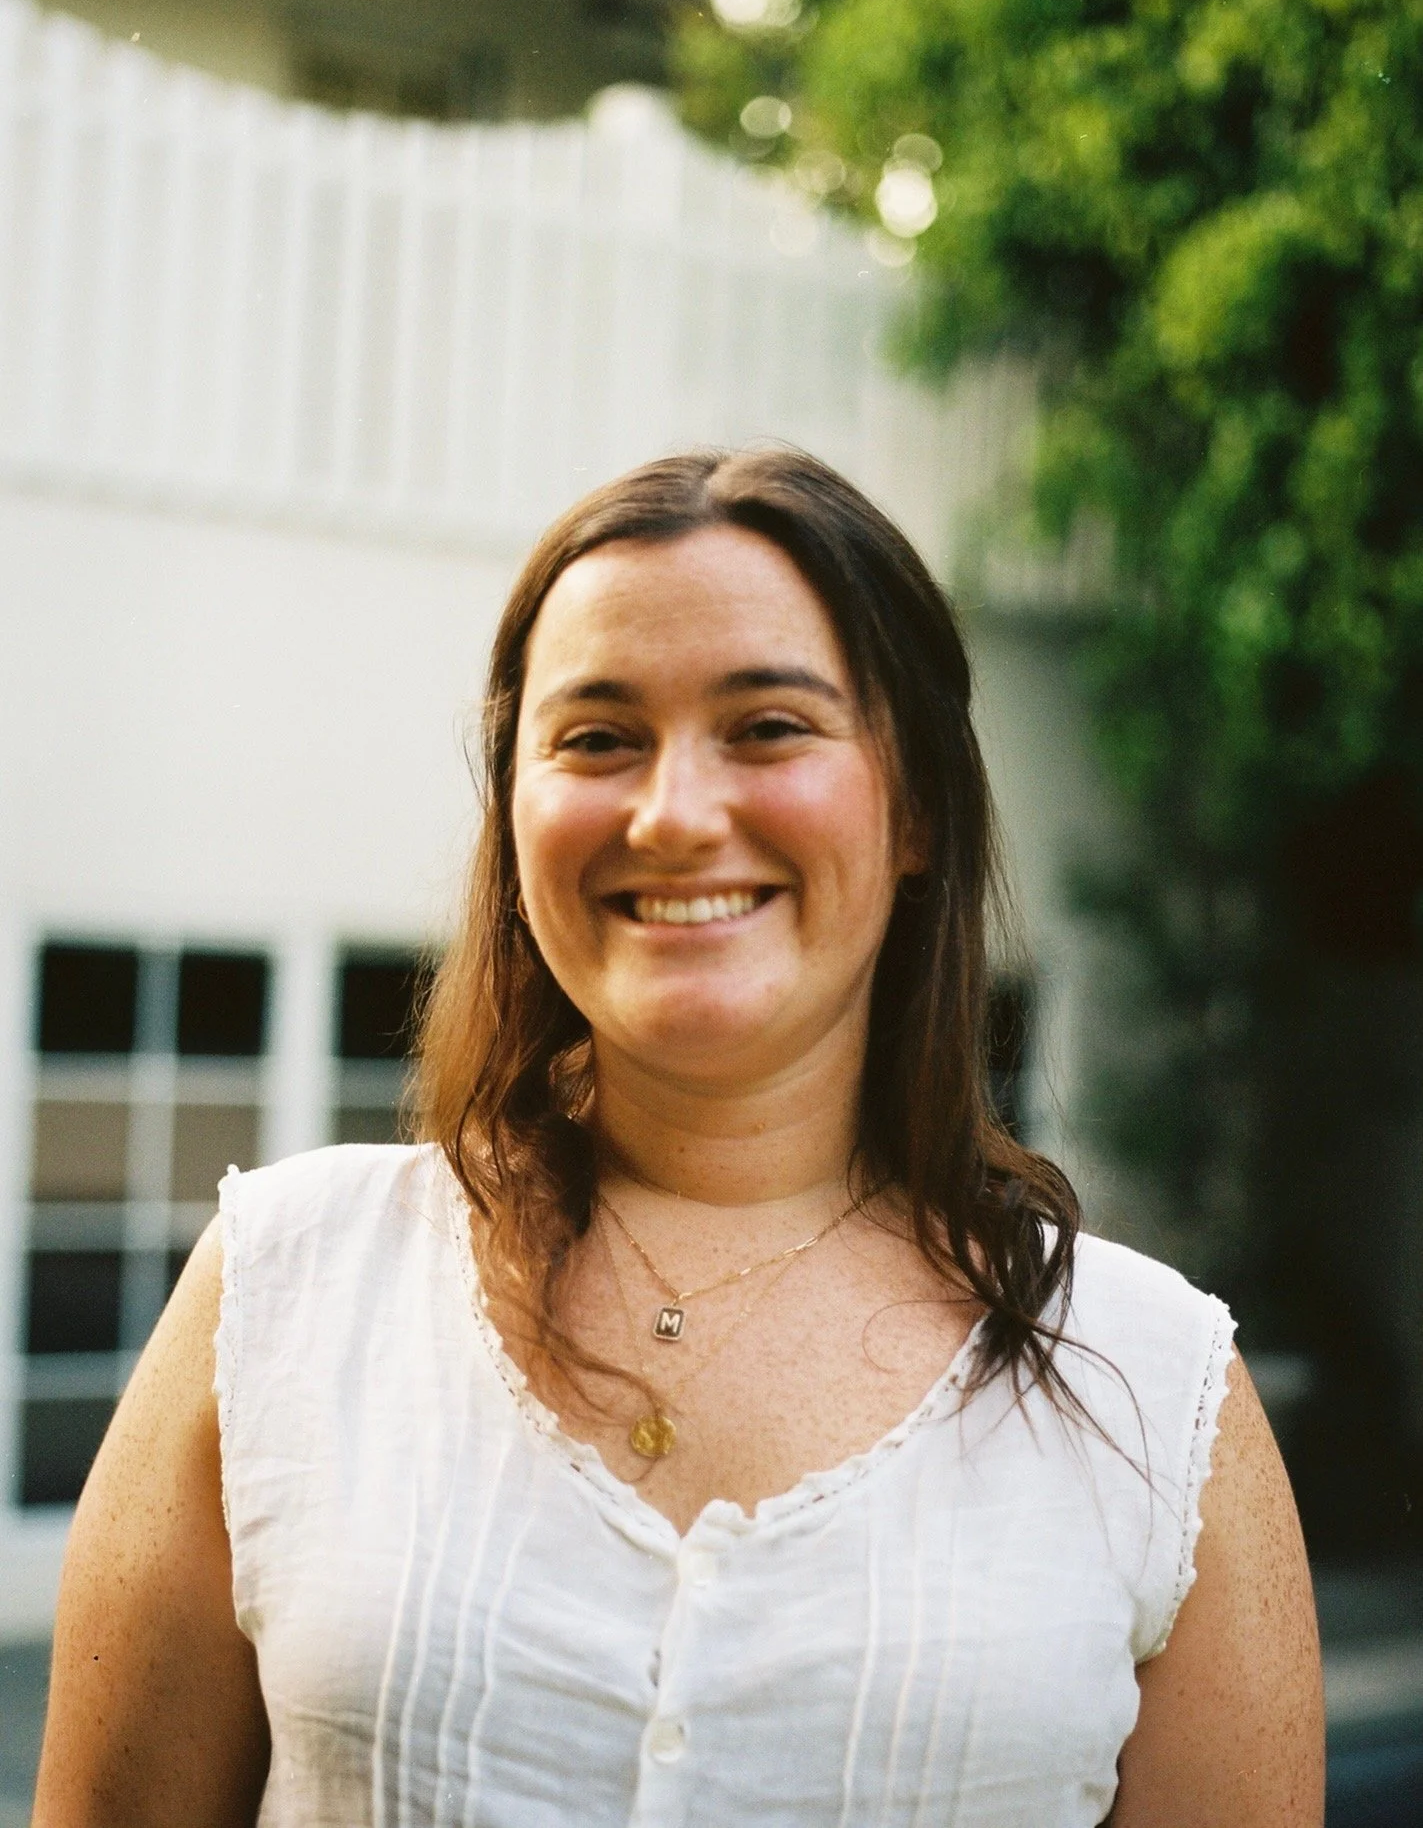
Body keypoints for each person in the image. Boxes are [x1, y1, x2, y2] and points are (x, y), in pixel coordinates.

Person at [34, 449, 1324, 1828]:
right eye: (596, 737)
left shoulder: (1150, 1392)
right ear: (514, 809)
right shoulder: (286, 1288)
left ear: (919, 808)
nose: (673, 813)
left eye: (767, 726)